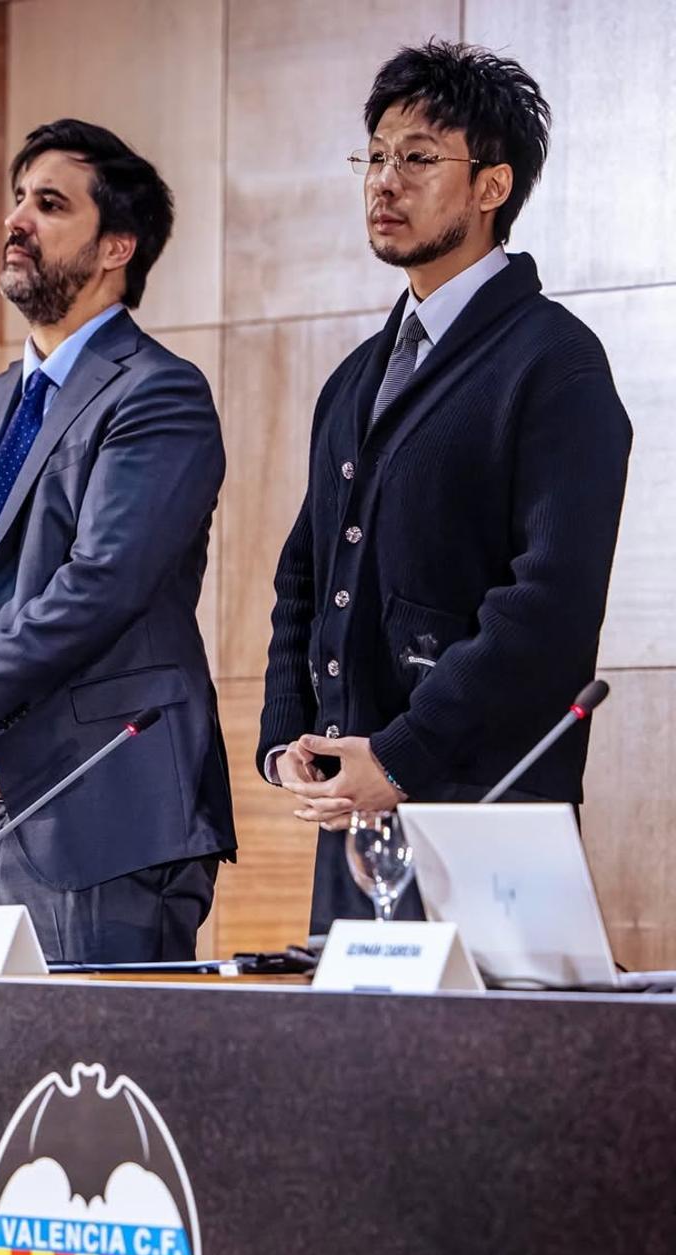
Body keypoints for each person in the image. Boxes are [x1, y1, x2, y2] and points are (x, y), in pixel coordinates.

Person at [257, 41, 631, 932]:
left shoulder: (556, 361)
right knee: (355, 1070)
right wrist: (288, 740)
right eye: (376, 156)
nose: (384, 181)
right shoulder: (355, 376)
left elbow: (550, 605)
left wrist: (404, 755)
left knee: (490, 1074)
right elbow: (303, 574)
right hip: (356, 816)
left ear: (492, 187)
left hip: (491, 815)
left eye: (418, 158)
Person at [0, 119, 234, 964]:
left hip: (101, 809)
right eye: (16, 201)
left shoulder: (159, 395)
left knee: (98, 1088)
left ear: (117, 245)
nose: (18, 220)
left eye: (49, 204)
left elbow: (101, 583)